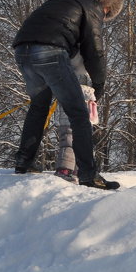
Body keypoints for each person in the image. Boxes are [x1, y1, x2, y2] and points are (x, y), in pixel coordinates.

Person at [12, 0, 125, 190]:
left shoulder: (59, 1)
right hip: (50, 52)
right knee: (79, 113)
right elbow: (95, 50)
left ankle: (24, 161)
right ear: (105, 2)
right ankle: (89, 175)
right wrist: (99, 84)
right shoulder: (92, 7)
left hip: (22, 51)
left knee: (39, 106)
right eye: (107, 13)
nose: (104, 16)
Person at [50, 54, 98, 183]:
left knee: (69, 141)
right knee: (77, 142)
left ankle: (68, 169)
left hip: (69, 117)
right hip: (80, 119)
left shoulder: (65, 80)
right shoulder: (87, 85)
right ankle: (70, 169)